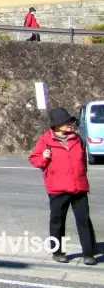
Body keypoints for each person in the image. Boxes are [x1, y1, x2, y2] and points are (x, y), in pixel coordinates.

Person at [29, 107, 98, 265]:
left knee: (84, 220)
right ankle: (58, 252)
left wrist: (82, 178)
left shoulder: (77, 139)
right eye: (66, 122)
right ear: (57, 124)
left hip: (79, 187)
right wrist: (44, 158)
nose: (70, 124)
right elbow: (34, 160)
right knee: (57, 221)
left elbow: (82, 164)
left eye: (70, 121)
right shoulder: (46, 140)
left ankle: (89, 254)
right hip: (58, 188)